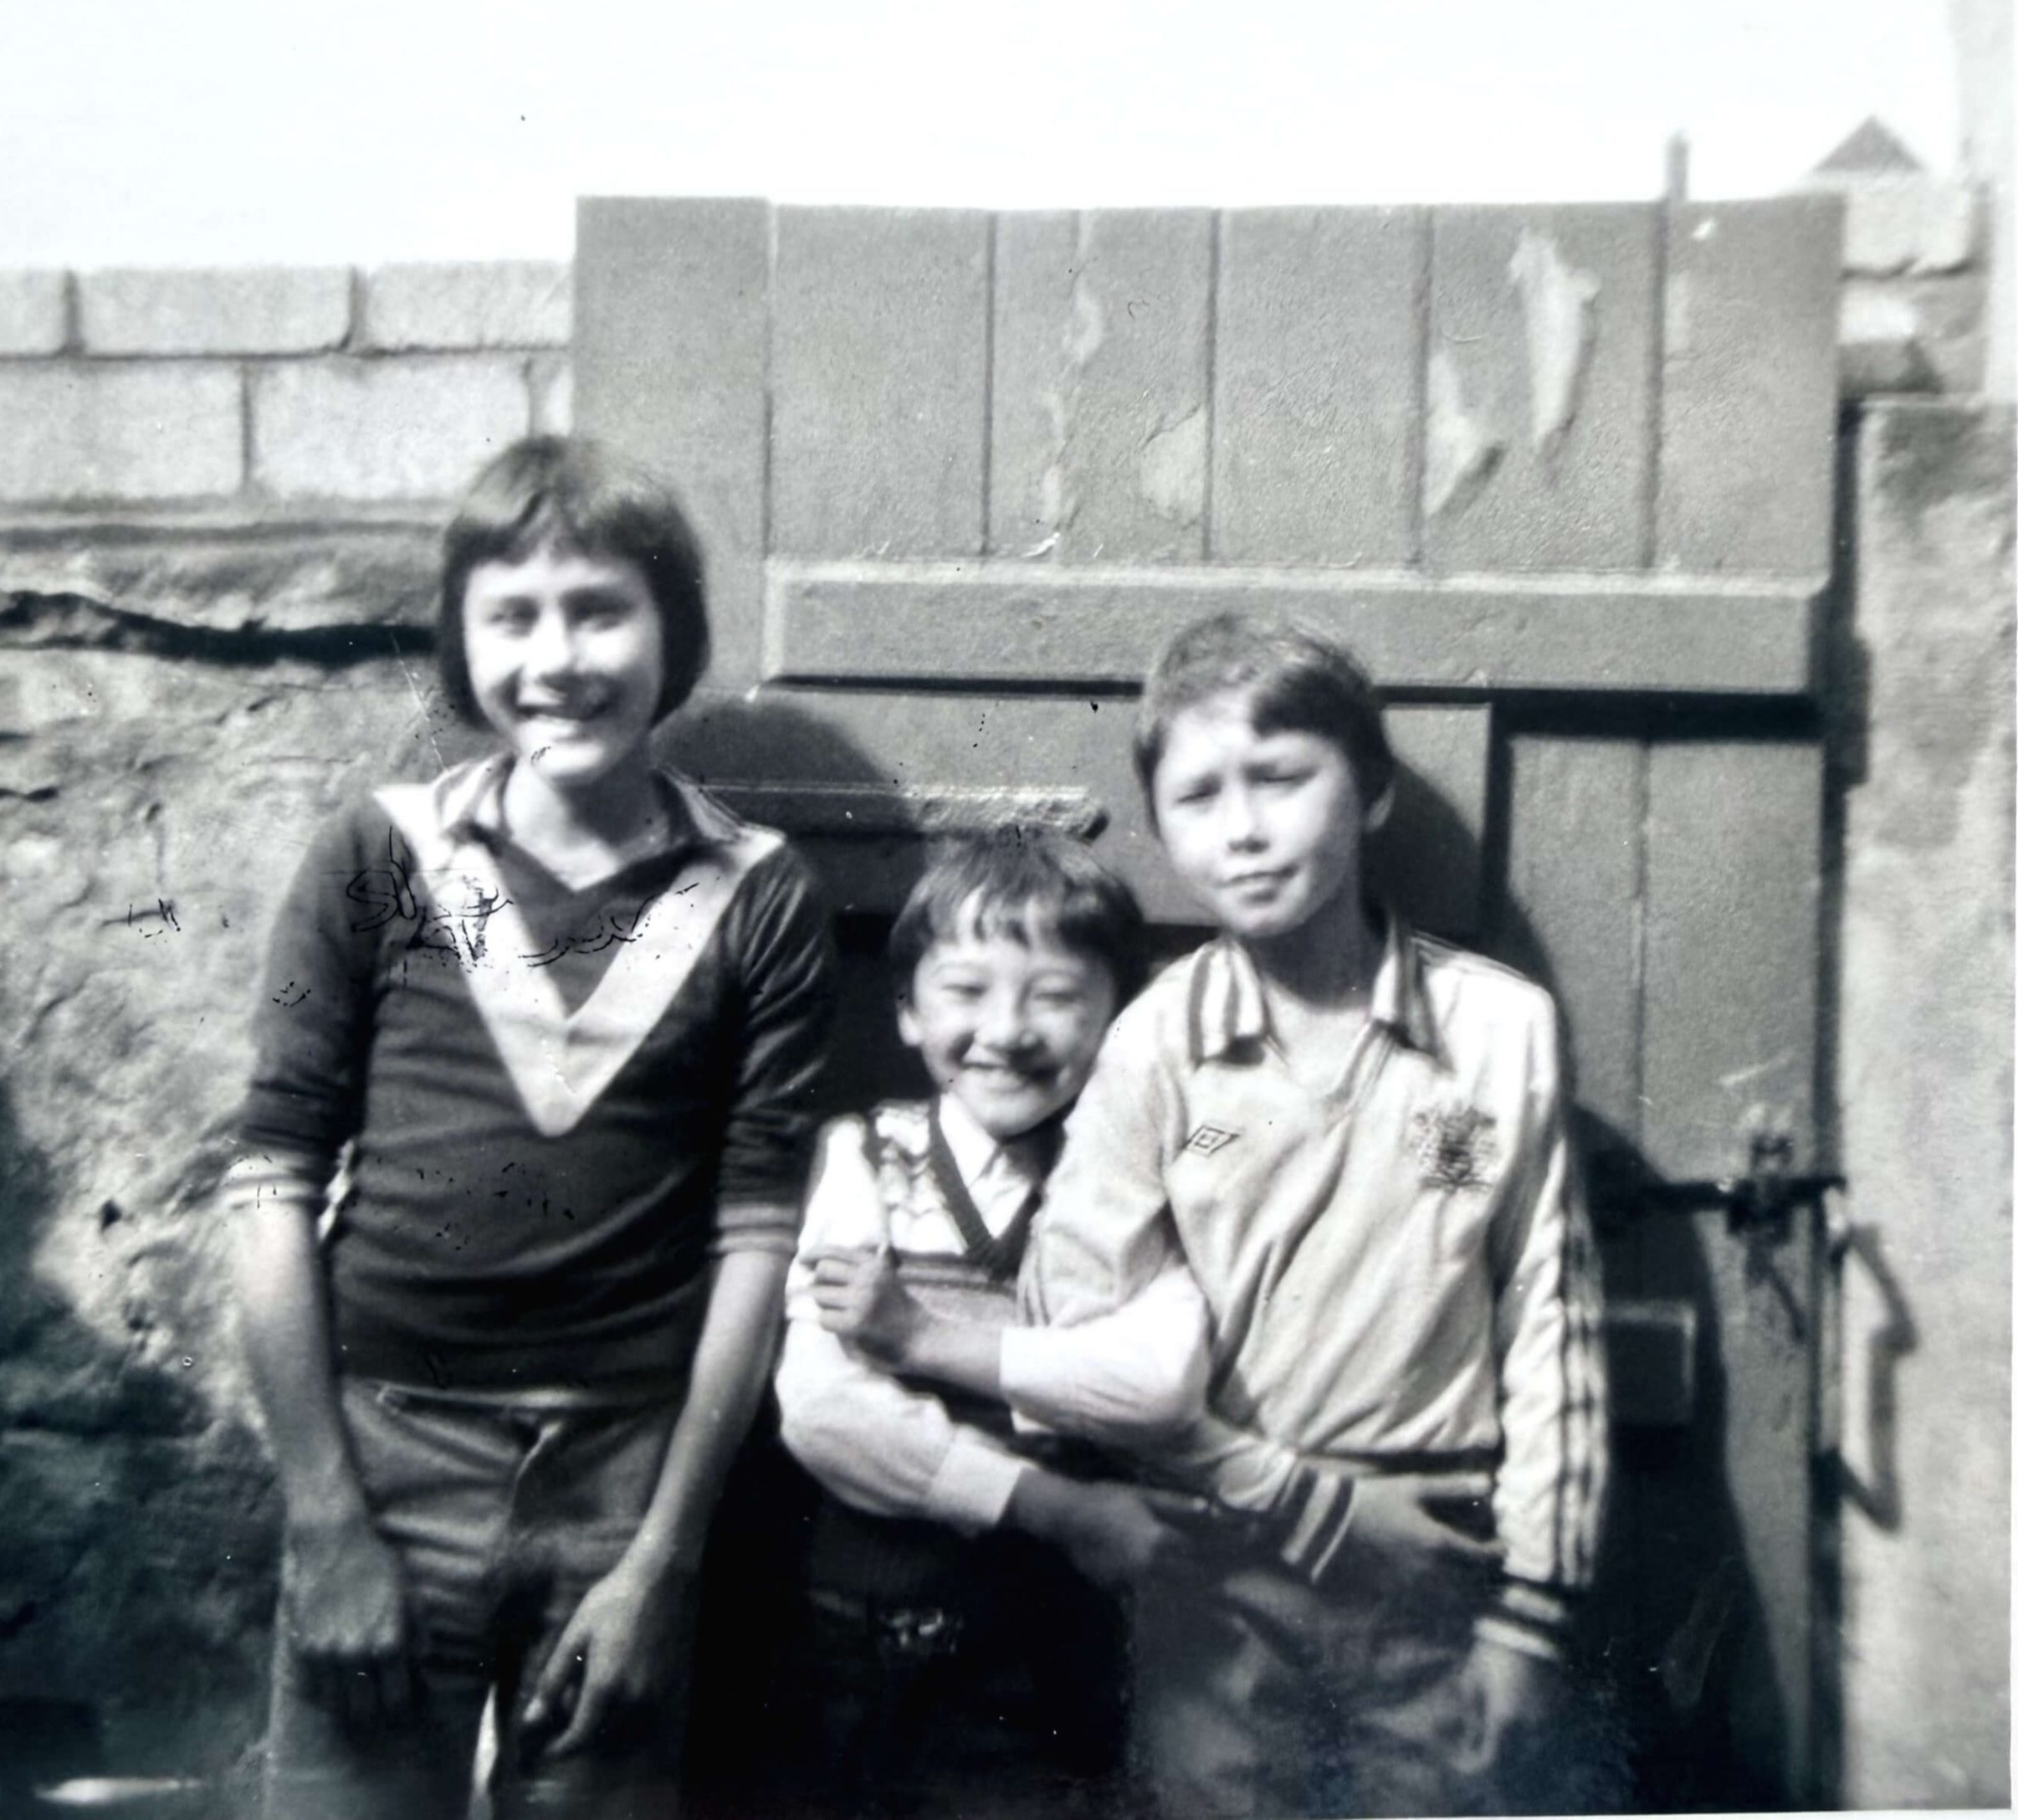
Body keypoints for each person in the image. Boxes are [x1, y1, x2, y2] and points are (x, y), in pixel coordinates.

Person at [225, 436, 836, 1820]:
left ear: (671, 632)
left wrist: (665, 1562)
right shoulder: (385, 855)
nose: (557, 658)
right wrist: (329, 1523)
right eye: (513, 616)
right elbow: (268, 1183)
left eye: (601, 610)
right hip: (386, 1467)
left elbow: (758, 1237)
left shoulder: (755, 893)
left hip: (622, 1486)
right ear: (462, 640)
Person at [1010, 614, 1612, 1817]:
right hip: (1220, 1568)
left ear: (1371, 790)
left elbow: (1552, 1321)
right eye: (1198, 796)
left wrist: (1532, 1614)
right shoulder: (1156, 1046)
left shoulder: (1500, 1031)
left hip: (1445, 1561)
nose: (1241, 827)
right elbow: (1073, 1325)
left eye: (1281, 778)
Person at [776, 833, 1211, 1817]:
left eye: (1054, 996)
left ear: (1118, 1018)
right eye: (966, 992)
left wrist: (925, 1341)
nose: (1006, 1031)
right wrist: (1057, 1507)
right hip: (886, 1622)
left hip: (1080, 1632)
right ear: (905, 1011)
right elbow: (824, 1409)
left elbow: (1162, 1375)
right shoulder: (865, 1163)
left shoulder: (1137, 1181)